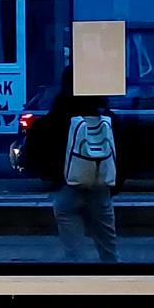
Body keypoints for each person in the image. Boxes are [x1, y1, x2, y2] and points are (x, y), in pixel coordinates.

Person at [25, 70, 118, 263]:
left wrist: (54, 177)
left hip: (68, 187)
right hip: (99, 187)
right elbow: (120, 152)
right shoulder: (105, 117)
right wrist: (112, 184)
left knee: (74, 254)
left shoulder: (58, 114)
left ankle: (78, 278)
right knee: (108, 249)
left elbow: (36, 149)